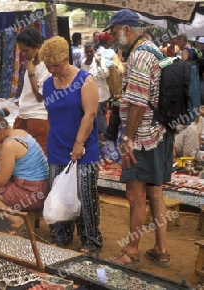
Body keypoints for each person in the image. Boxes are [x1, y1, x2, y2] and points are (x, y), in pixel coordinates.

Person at [104, 8, 173, 267]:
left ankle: (132, 249)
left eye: (114, 32)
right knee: (155, 193)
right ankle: (161, 249)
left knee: (135, 195)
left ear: (127, 29)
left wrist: (127, 139)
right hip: (159, 133)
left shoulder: (140, 56)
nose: (113, 38)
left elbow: (138, 102)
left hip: (142, 137)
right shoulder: (154, 50)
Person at [39, 36, 102, 253]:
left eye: (54, 65)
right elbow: (53, 116)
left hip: (84, 148)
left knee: (85, 195)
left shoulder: (85, 80)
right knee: (60, 194)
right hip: (57, 147)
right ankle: (61, 236)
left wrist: (79, 143)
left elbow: (90, 114)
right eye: (48, 66)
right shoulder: (47, 84)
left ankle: (90, 239)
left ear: (66, 59)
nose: (51, 70)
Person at [13, 27, 51, 155]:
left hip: (37, 116)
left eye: (26, 50)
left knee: (39, 157)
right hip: (24, 115)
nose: (24, 54)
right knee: (20, 154)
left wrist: (30, 73)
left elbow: (40, 96)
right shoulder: (32, 62)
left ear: (37, 46)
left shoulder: (45, 65)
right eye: (22, 51)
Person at [81, 42, 111, 138]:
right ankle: (99, 133)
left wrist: (99, 64)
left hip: (101, 94)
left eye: (91, 51)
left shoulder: (100, 60)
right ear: (85, 52)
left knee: (98, 113)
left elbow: (106, 75)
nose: (89, 54)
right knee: (96, 114)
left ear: (94, 51)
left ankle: (106, 133)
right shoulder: (83, 63)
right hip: (89, 94)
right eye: (87, 52)